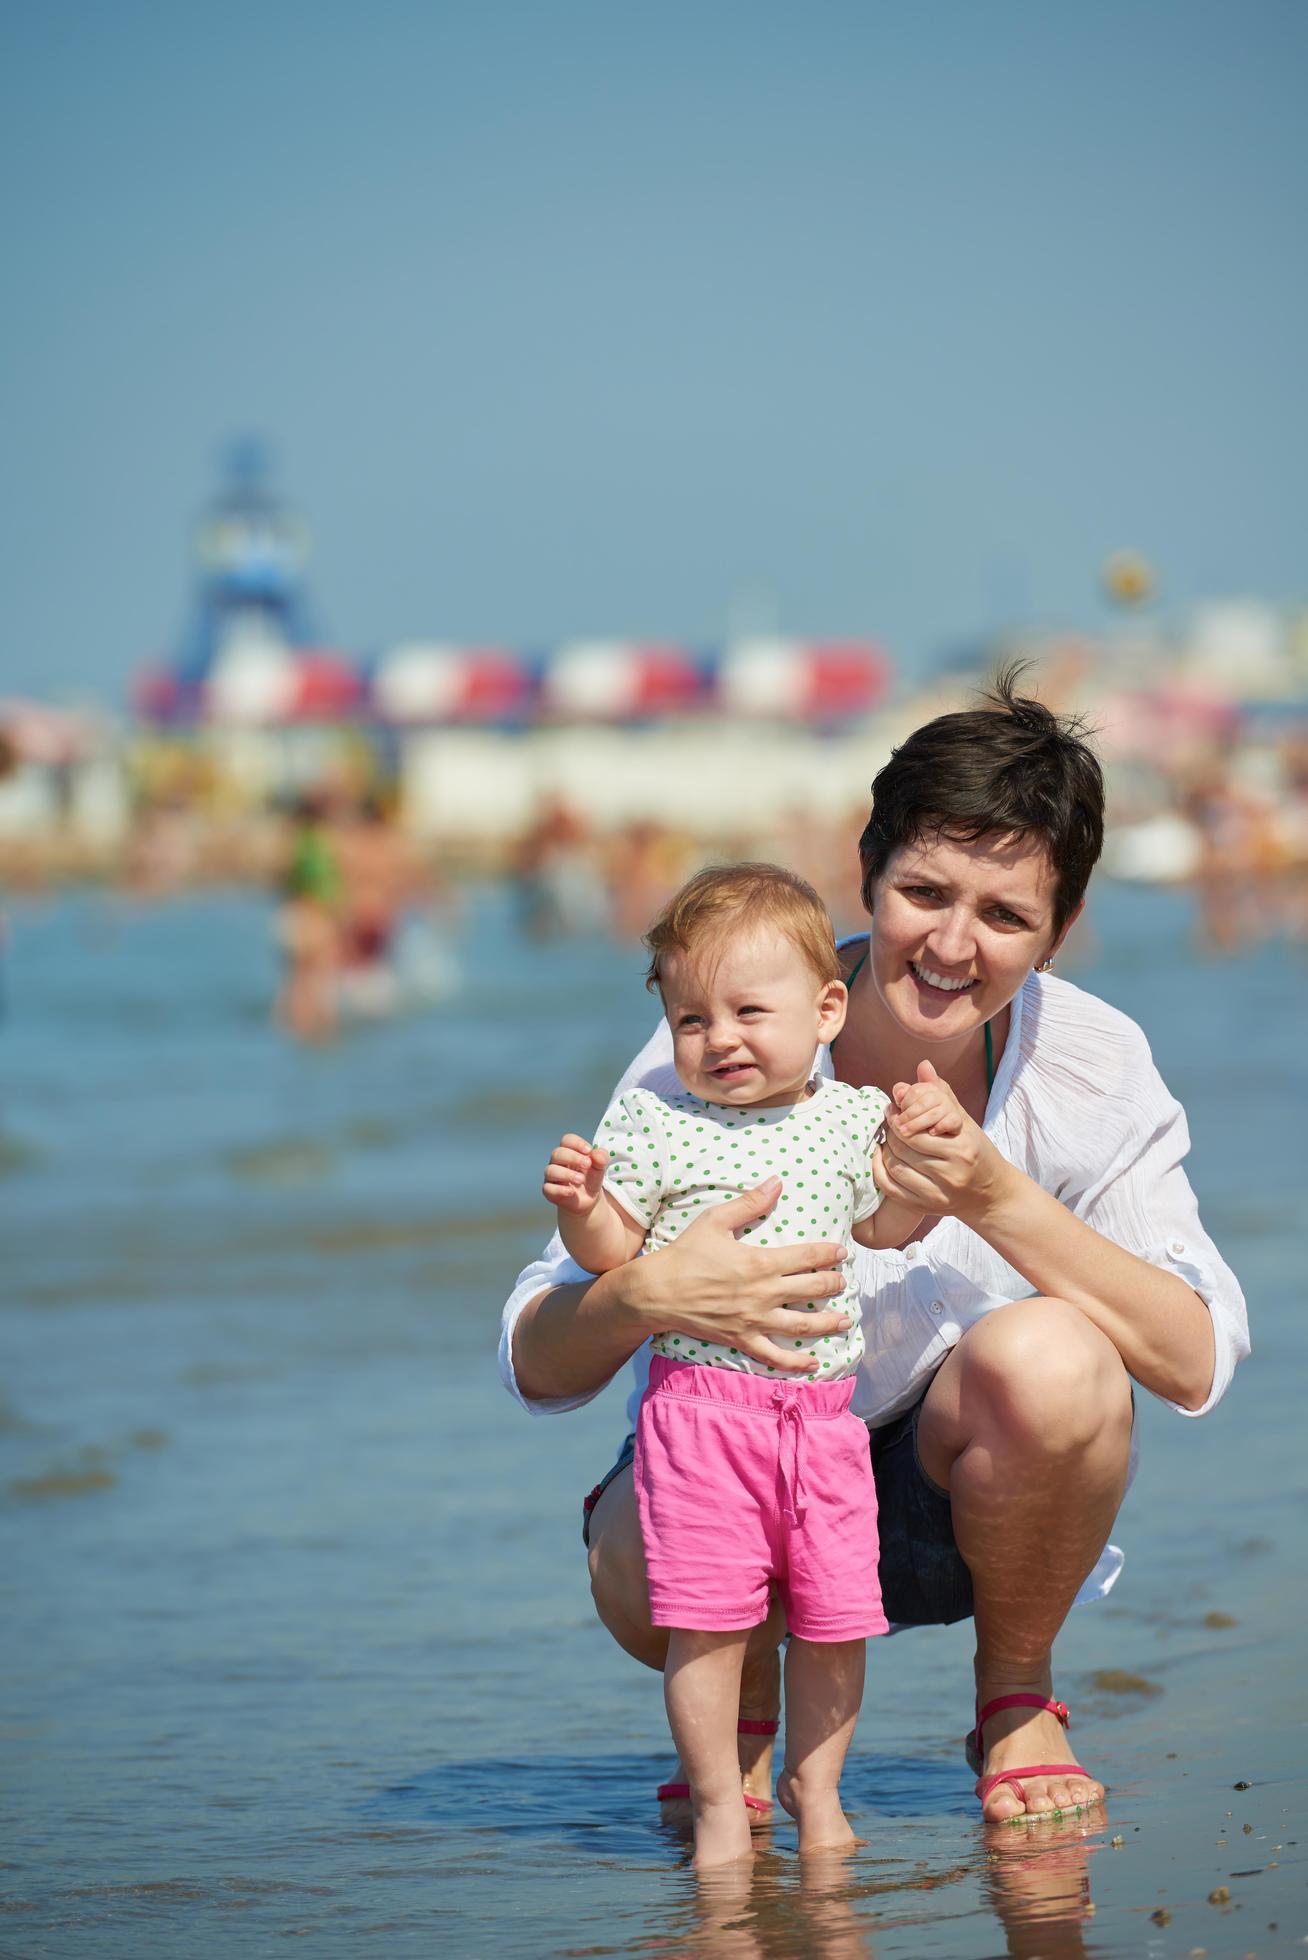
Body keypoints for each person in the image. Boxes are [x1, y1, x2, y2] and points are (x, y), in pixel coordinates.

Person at [500, 669, 1249, 1826]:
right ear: (869, 871)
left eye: (1005, 916)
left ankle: (1016, 1699)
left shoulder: (1092, 1062)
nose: (953, 944)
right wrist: (645, 1292)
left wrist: (1000, 1198)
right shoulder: (725, 1032)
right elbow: (539, 1360)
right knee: (627, 1556)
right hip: (736, 1484)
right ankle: (745, 1713)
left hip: (961, 1502)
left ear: (1057, 933)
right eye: (924, 891)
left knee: (1054, 1356)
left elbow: (1195, 1355)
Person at [542, 864, 957, 1866]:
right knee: (707, 1626)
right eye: (691, 1019)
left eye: (745, 1011)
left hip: (823, 1424)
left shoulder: (850, 1117)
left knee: (833, 1617)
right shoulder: (654, 1121)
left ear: (824, 1012)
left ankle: (820, 1790)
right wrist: (581, 1207)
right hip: (702, 1420)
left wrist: (929, 1176)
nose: (719, 1038)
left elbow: (889, 1223)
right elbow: (612, 1252)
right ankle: (725, 1800)